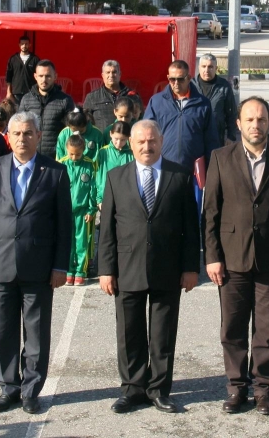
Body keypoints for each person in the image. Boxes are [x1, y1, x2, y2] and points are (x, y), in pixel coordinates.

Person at [203, 97, 269, 416]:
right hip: (231, 259)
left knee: (267, 329)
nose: (256, 125)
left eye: (261, 120)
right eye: (250, 120)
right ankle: (236, 388)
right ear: (239, 124)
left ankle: (263, 389)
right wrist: (212, 256)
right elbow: (211, 213)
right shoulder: (220, 158)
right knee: (232, 328)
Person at [0, 111, 72, 415]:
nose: (22, 139)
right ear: (8, 137)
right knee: (3, 331)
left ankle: (30, 390)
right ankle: (9, 388)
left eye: (28, 133)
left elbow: (64, 224)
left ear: (39, 136)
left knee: (37, 332)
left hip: (38, 266)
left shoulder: (55, 172)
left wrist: (60, 266)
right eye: (17, 134)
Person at [98, 119, 200, 414]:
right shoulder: (116, 177)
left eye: (152, 140)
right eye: (140, 141)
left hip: (167, 267)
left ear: (161, 141)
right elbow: (106, 230)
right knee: (129, 333)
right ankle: (132, 389)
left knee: (163, 333)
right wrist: (106, 269)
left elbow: (190, 228)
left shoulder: (179, 175)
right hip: (127, 267)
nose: (147, 146)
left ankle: (158, 389)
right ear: (130, 144)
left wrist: (190, 267)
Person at [144, 60, 219, 171]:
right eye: (172, 79)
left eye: (180, 79)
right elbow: (146, 134)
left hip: (193, 169)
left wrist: (213, 168)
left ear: (188, 78)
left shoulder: (203, 103)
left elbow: (211, 139)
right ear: (168, 78)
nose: (176, 83)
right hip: (164, 167)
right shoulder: (156, 102)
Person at [18, 60, 76, 159]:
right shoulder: (26, 100)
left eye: (48, 76)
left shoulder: (65, 100)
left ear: (55, 77)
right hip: (31, 156)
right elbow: (20, 126)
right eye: (41, 76)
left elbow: (71, 130)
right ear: (35, 76)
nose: (44, 80)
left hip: (56, 157)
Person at [60, 134, 96, 286]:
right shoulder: (62, 164)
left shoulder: (89, 164)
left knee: (81, 242)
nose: (74, 157)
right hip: (66, 211)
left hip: (82, 211)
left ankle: (81, 271)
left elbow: (93, 188)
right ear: (66, 150)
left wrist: (91, 209)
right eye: (71, 154)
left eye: (78, 154)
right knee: (67, 241)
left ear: (83, 151)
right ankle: (68, 270)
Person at [83, 60, 143, 130]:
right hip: (102, 139)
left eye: (114, 72)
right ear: (102, 75)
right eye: (108, 72)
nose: (111, 75)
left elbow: (141, 118)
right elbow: (85, 121)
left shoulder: (132, 95)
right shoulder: (92, 97)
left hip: (127, 138)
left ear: (120, 74)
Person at [195, 54, 238, 144]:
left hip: (216, 137)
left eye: (210, 67)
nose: (206, 70)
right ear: (199, 67)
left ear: (216, 68)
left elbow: (232, 114)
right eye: (204, 66)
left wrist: (231, 136)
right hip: (195, 137)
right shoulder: (191, 86)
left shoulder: (224, 86)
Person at [93, 121, 134, 211]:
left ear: (128, 138)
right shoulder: (103, 152)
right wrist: (99, 199)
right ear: (110, 134)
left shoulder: (132, 154)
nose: (119, 143)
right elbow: (99, 177)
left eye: (123, 140)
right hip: (106, 197)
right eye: (116, 139)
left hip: (126, 199)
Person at [5, 35, 40, 106]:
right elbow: (9, 77)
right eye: (22, 44)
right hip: (16, 93)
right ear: (19, 45)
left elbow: (39, 76)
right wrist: (9, 92)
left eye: (26, 44)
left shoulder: (35, 59)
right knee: (18, 115)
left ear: (30, 45)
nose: (24, 46)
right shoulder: (13, 59)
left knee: (29, 115)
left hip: (31, 93)